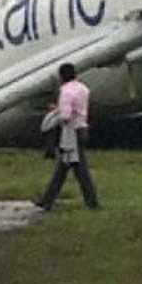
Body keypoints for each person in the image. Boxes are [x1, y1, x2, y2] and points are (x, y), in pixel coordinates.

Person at [35, 62, 100, 211]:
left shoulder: (65, 91)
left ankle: (92, 202)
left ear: (61, 77)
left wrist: (54, 113)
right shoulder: (83, 89)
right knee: (64, 168)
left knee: (77, 169)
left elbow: (65, 116)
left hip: (71, 132)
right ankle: (47, 200)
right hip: (82, 127)